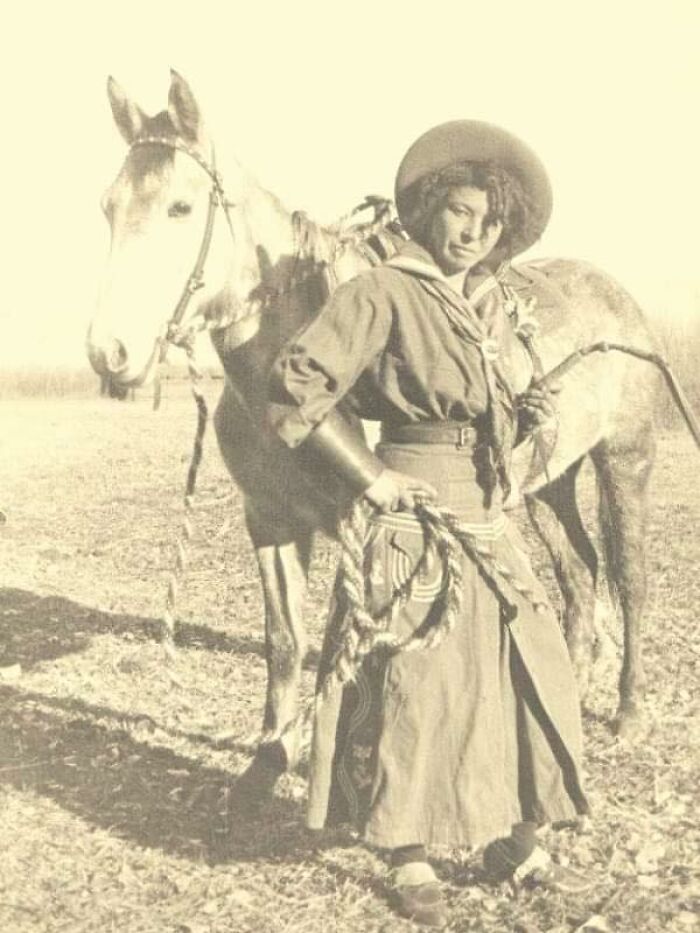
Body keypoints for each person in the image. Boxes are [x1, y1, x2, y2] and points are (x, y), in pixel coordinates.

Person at [266, 121, 590, 928]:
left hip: (484, 512)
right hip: (415, 516)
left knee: (525, 666)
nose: (473, 230)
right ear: (429, 211)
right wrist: (374, 477)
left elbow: (493, 410)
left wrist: (520, 422)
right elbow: (295, 388)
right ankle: (407, 846)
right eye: (460, 211)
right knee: (421, 686)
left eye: (489, 220)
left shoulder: (487, 306)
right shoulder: (385, 289)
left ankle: (510, 831)